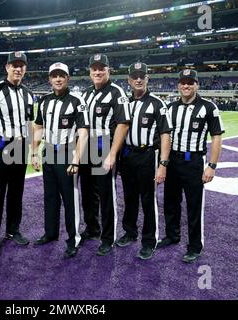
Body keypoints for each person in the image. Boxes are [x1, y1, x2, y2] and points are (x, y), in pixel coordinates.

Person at [104, 62, 172, 260]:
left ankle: (149, 241)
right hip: (127, 155)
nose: (139, 79)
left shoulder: (158, 104)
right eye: (135, 77)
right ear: (129, 80)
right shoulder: (124, 102)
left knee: (148, 199)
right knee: (129, 197)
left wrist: (163, 164)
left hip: (147, 155)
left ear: (148, 79)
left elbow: (166, 135)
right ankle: (130, 232)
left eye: (142, 76)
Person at [157, 69, 224, 263]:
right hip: (172, 162)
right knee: (170, 202)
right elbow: (165, 137)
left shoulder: (208, 107)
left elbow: (217, 136)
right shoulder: (169, 108)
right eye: (183, 82)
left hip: (193, 161)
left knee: (194, 206)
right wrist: (163, 163)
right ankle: (172, 235)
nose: (186, 86)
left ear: (197, 85)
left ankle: (195, 245)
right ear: (178, 85)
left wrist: (212, 165)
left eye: (190, 82)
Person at [31, 62, 89, 258]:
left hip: (67, 154)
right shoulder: (45, 101)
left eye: (61, 75)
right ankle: (50, 233)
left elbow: (83, 132)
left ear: (68, 78)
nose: (57, 79)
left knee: (70, 199)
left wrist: (76, 159)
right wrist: (33, 152)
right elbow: (38, 127)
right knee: (50, 196)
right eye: (54, 75)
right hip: (48, 153)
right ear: (49, 79)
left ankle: (73, 239)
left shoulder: (76, 101)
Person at [0, 52, 34, 258]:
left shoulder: (29, 94)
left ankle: (13, 230)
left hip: (20, 148)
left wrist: (31, 148)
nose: (18, 68)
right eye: (14, 65)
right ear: (7, 67)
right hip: (1, 147)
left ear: (25, 69)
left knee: (16, 193)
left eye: (21, 65)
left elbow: (30, 123)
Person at [79, 53, 131, 256]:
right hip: (86, 149)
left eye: (102, 68)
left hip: (104, 149)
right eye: (94, 69)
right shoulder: (85, 93)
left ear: (108, 70)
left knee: (106, 195)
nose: (98, 72)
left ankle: (108, 237)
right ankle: (92, 228)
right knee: (87, 193)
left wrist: (112, 154)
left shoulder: (117, 92)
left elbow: (123, 124)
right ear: (90, 71)